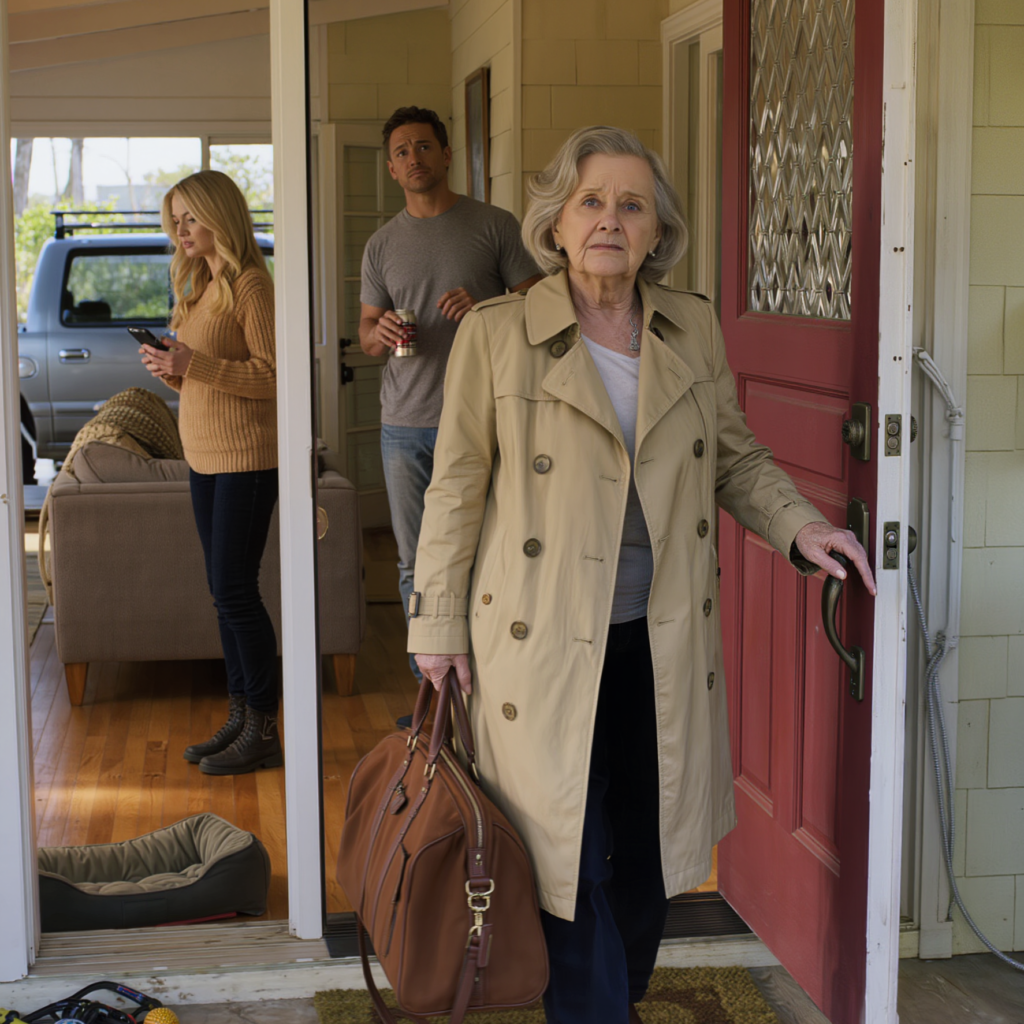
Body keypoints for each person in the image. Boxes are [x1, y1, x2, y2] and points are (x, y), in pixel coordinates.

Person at [406, 126, 877, 1024]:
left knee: (651, 859)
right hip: (541, 644)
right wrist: (435, 629)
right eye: (590, 202)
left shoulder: (690, 326)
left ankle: (611, 1000)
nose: (609, 221)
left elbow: (734, 458)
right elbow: (456, 488)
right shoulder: (498, 335)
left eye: (631, 204)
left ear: (659, 228)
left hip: (660, 640)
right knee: (568, 859)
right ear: (556, 224)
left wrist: (804, 528)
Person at [359, 105, 541, 685]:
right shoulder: (381, 244)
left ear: (445, 154)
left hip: (486, 420)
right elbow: (365, 335)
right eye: (402, 151)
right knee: (415, 562)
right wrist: (381, 331)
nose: (413, 157)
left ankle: (489, 694)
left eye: (423, 146)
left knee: (492, 554)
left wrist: (489, 307)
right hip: (406, 423)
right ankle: (433, 696)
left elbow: (542, 308)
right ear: (392, 169)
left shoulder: (494, 224)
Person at [139, 169, 282, 776]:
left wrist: (195, 364)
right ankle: (240, 715)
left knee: (236, 592)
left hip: (247, 457)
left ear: (219, 215)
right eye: (175, 220)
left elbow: (274, 377)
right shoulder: (200, 286)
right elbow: (205, 376)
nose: (181, 229)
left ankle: (264, 728)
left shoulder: (251, 285)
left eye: (190, 217)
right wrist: (172, 370)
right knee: (224, 596)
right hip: (204, 457)